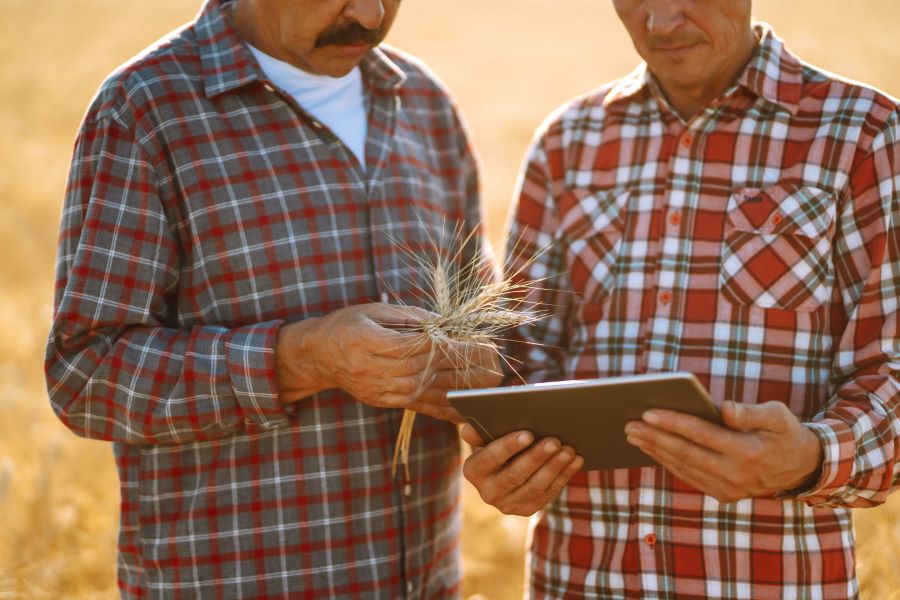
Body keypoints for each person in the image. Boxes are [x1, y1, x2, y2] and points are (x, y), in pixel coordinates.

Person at [45, 0, 500, 597]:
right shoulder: (147, 108)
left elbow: (484, 321)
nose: (369, 15)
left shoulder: (423, 101)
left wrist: (483, 372)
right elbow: (85, 376)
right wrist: (306, 357)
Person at [462, 1, 899, 597]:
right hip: (579, 580)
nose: (663, 23)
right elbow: (521, 351)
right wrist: (506, 456)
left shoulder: (864, 135)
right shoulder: (568, 141)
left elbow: (893, 372)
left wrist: (812, 457)